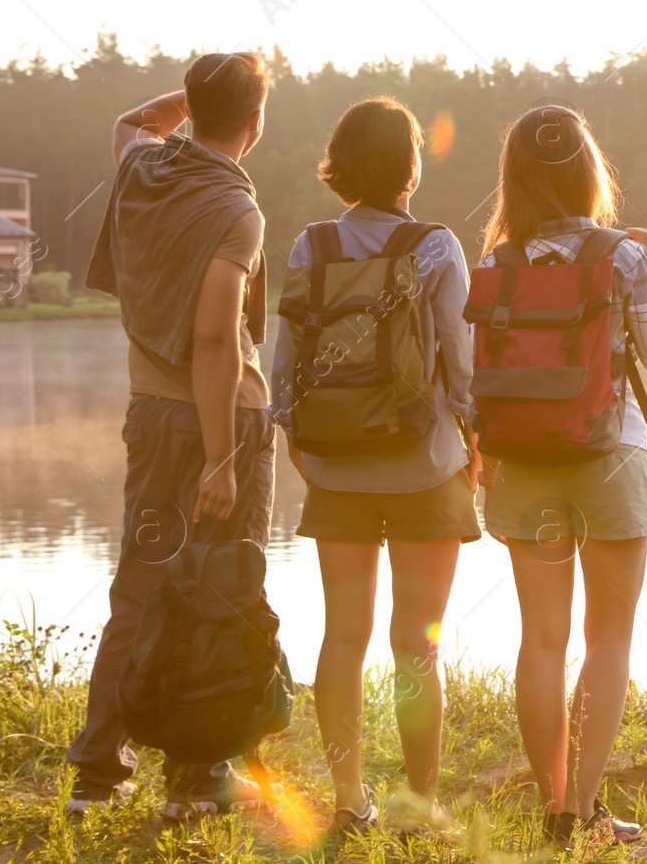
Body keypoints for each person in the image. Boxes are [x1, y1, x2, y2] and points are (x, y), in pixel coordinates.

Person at [68, 52, 276, 821]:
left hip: (152, 417)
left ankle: (96, 771)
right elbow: (216, 341)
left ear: (190, 107)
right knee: (220, 590)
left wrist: (187, 100)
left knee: (142, 586)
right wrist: (222, 457)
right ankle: (196, 777)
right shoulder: (236, 210)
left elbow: (132, 122)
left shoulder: (142, 168)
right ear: (256, 123)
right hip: (221, 421)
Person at [478, 103, 647, 846]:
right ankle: (586, 809)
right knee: (608, 638)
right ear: (588, 170)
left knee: (541, 638)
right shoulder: (625, 255)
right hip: (610, 456)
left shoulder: (496, 266)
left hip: (526, 461)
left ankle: (552, 804)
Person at [269, 97, 479, 835]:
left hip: (337, 471)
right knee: (416, 643)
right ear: (409, 164)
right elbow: (463, 362)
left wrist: (305, 450)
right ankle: (420, 805)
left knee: (343, 636)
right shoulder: (436, 245)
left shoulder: (311, 246)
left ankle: (349, 798)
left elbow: (284, 368)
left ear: (341, 162)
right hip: (426, 466)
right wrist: (475, 445)